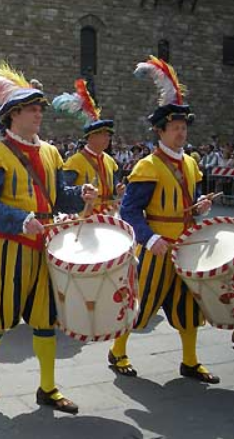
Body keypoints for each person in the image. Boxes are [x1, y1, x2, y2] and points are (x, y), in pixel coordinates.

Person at [0, 63, 97, 413]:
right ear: (13, 115)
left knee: (45, 320)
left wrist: (79, 194)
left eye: (40, 108)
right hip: (8, 247)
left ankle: (48, 388)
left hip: (45, 247)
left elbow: (56, 196)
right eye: (32, 108)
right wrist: (19, 219)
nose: (40, 113)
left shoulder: (51, 152)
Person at [109, 56, 220, 384]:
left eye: (184, 128)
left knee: (190, 307)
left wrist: (199, 207)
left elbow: (189, 202)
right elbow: (129, 211)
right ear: (160, 131)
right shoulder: (148, 166)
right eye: (175, 128)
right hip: (157, 249)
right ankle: (118, 351)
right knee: (142, 306)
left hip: (187, 247)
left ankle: (190, 361)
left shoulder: (190, 163)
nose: (181, 133)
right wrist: (150, 238)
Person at [53, 78, 125, 213]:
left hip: (108, 215)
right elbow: (65, 194)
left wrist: (118, 188)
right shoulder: (74, 162)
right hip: (84, 220)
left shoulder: (110, 161)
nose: (108, 138)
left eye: (109, 135)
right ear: (91, 137)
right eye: (104, 134)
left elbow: (113, 185)